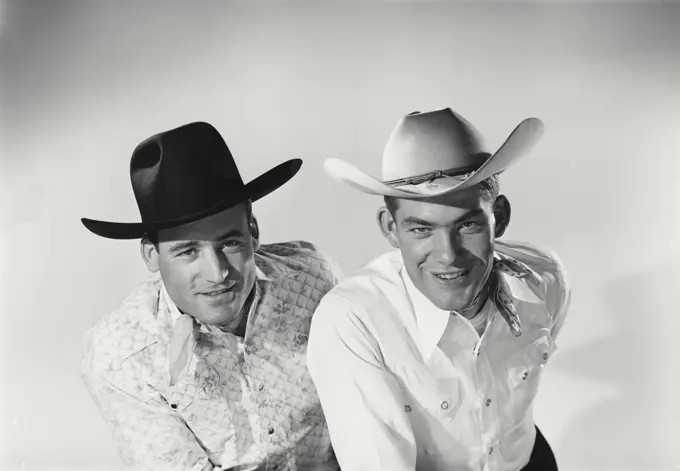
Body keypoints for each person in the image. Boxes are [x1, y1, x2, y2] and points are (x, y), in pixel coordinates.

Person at [306, 108, 571, 471]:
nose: (448, 255)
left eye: (467, 226)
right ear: (389, 228)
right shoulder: (353, 322)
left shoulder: (543, 277)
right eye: (421, 229)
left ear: (501, 217)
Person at [80, 122, 343, 471]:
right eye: (188, 252)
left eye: (230, 243)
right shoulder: (123, 355)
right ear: (151, 256)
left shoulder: (313, 280)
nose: (218, 273)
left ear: (253, 231)